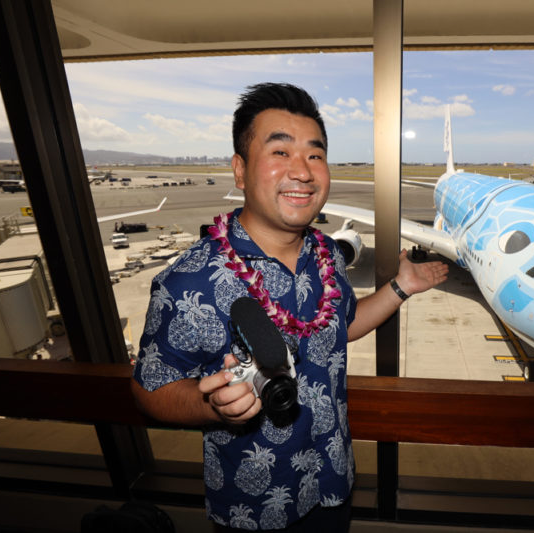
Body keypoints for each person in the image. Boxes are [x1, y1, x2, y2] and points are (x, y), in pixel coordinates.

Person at [130, 82, 448, 532]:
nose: (302, 170)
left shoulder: (328, 253)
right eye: (280, 152)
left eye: (315, 154)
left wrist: (400, 286)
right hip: (255, 507)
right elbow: (149, 389)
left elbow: (343, 327)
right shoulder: (189, 281)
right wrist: (213, 408)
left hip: (333, 482)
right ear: (240, 170)